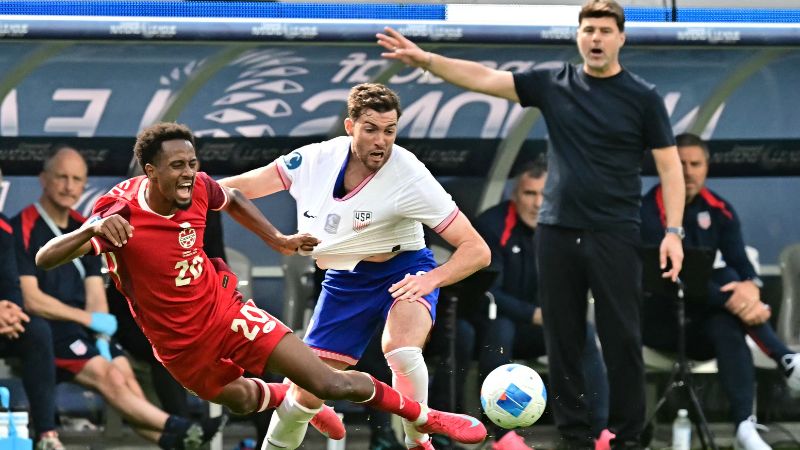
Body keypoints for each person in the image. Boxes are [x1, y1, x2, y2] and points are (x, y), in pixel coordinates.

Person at [34, 122, 488, 450]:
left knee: (327, 381)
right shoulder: (120, 214)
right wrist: (92, 229)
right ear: (150, 171)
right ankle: (284, 398)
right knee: (242, 398)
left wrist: (279, 239)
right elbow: (46, 258)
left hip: (229, 313)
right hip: (178, 345)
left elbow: (229, 197)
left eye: (193, 163)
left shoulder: (198, 188)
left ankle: (426, 420)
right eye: (177, 166)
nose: (189, 174)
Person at [377, 1, 686, 449]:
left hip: (615, 232)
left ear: (621, 37)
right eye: (588, 30)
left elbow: (670, 168)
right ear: (579, 37)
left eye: (604, 30)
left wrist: (673, 232)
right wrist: (426, 60)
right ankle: (575, 437)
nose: (595, 38)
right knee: (564, 339)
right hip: (557, 231)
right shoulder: (555, 84)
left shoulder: (643, 97)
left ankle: (627, 437)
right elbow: (485, 78)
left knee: (622, 338)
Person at [219, 82, 491, 450]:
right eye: (371, 129)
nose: (382, 140)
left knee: (402, 349)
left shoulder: (410, 175)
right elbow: (236, 188)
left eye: (390, 130)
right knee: (304, 397)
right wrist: (178, 195)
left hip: (404, 270)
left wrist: (432, 279)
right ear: (350, 126)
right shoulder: (314, 160)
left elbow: (477, 249)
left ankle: (418, 441)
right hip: (345, 283)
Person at [12, 146, 225, 450]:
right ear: (43, 179)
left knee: (122, 372)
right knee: (110, 375)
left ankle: (174, 440)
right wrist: (89, 320)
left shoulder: (83, 224)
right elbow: (32, 299)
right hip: (48, 332)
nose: (69, 186)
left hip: (83, 330)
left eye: (76, 179)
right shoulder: (24, 225)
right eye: (61, 177)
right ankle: (180, 427)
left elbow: (94, 291)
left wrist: (100, 330)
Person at [640, 133, 800, 450]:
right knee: (723, 287)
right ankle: (785, 359)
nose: (687, 171)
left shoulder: (719, 209)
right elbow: (668, 276)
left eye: (694, 164)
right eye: (679, 163)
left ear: (706, 167)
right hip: (659, 323)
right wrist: (732, 297)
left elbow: (742, 264)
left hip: (707, 325)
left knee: (728, 310)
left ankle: (744, 427)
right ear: (665, 167)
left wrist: (751, 290)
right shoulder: (646, 211)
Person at [473, 161, 611, 450]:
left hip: (543, 327)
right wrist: (533, 313)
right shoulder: (491, 224)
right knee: (501, 329)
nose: (537, 204)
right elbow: (487, 291)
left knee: (582, 331)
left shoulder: (562, 228)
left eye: (544, 195)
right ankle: (502, 436)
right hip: (495, 326)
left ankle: (599, 432)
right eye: (529, 194)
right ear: (514, 194)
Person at [0, 169, 63, 450]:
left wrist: (10, 309)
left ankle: (47, 435)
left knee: (37, 331)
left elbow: (11, 281)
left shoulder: (2, 226)